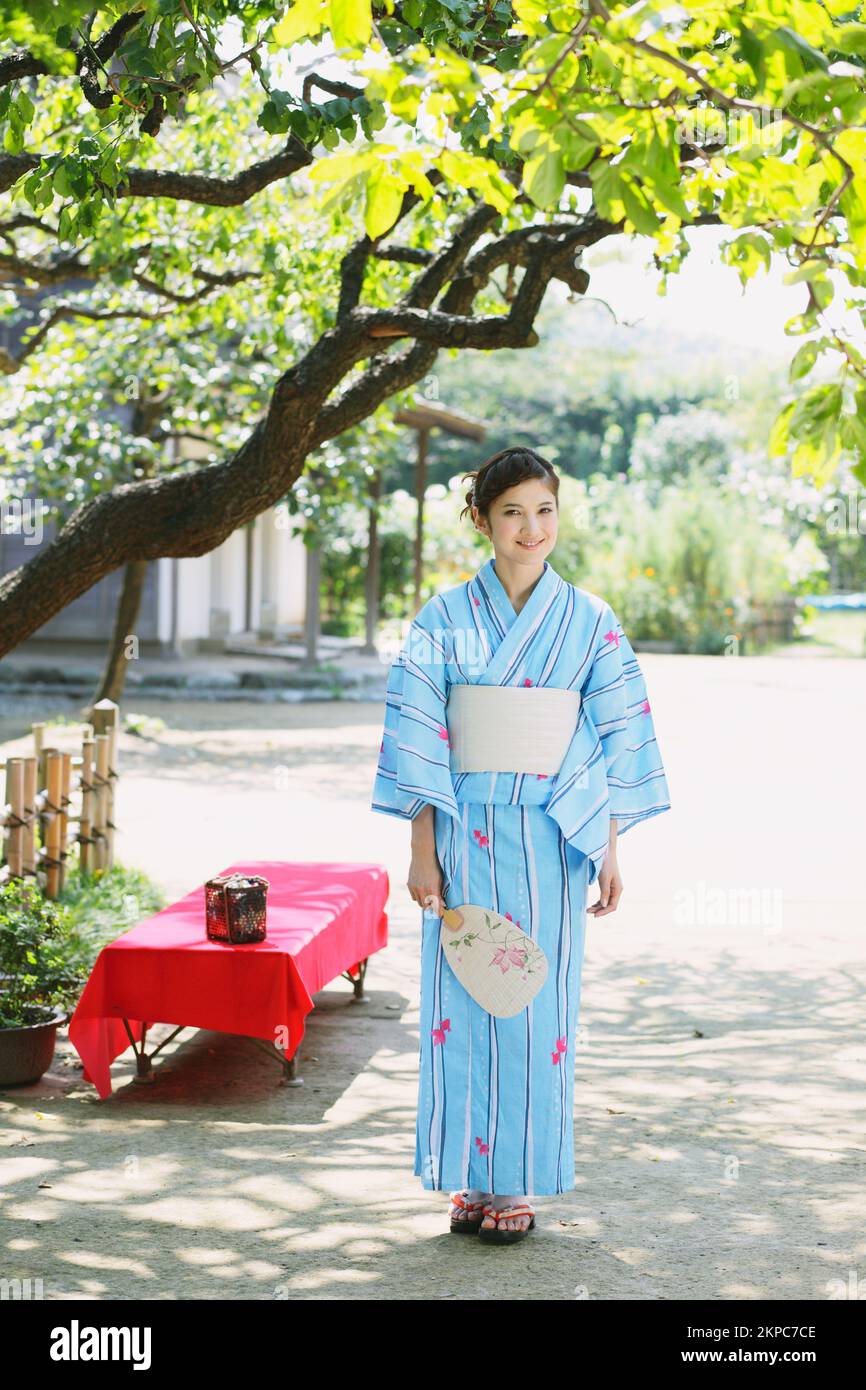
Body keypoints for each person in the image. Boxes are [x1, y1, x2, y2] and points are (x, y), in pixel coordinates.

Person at [371, 446, 671, 1245]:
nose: (531, 529)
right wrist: (420, 850)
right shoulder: (441, 619)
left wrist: (609, 848)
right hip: (464, 829)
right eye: (512, 512)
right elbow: (420, 740)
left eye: (545, 511)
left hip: (550, 836)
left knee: (534, 1006)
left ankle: (518, 1182)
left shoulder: (591, 621)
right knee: (462, 1005)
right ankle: (471, 1176)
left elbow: (613, 738)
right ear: (481, 520)